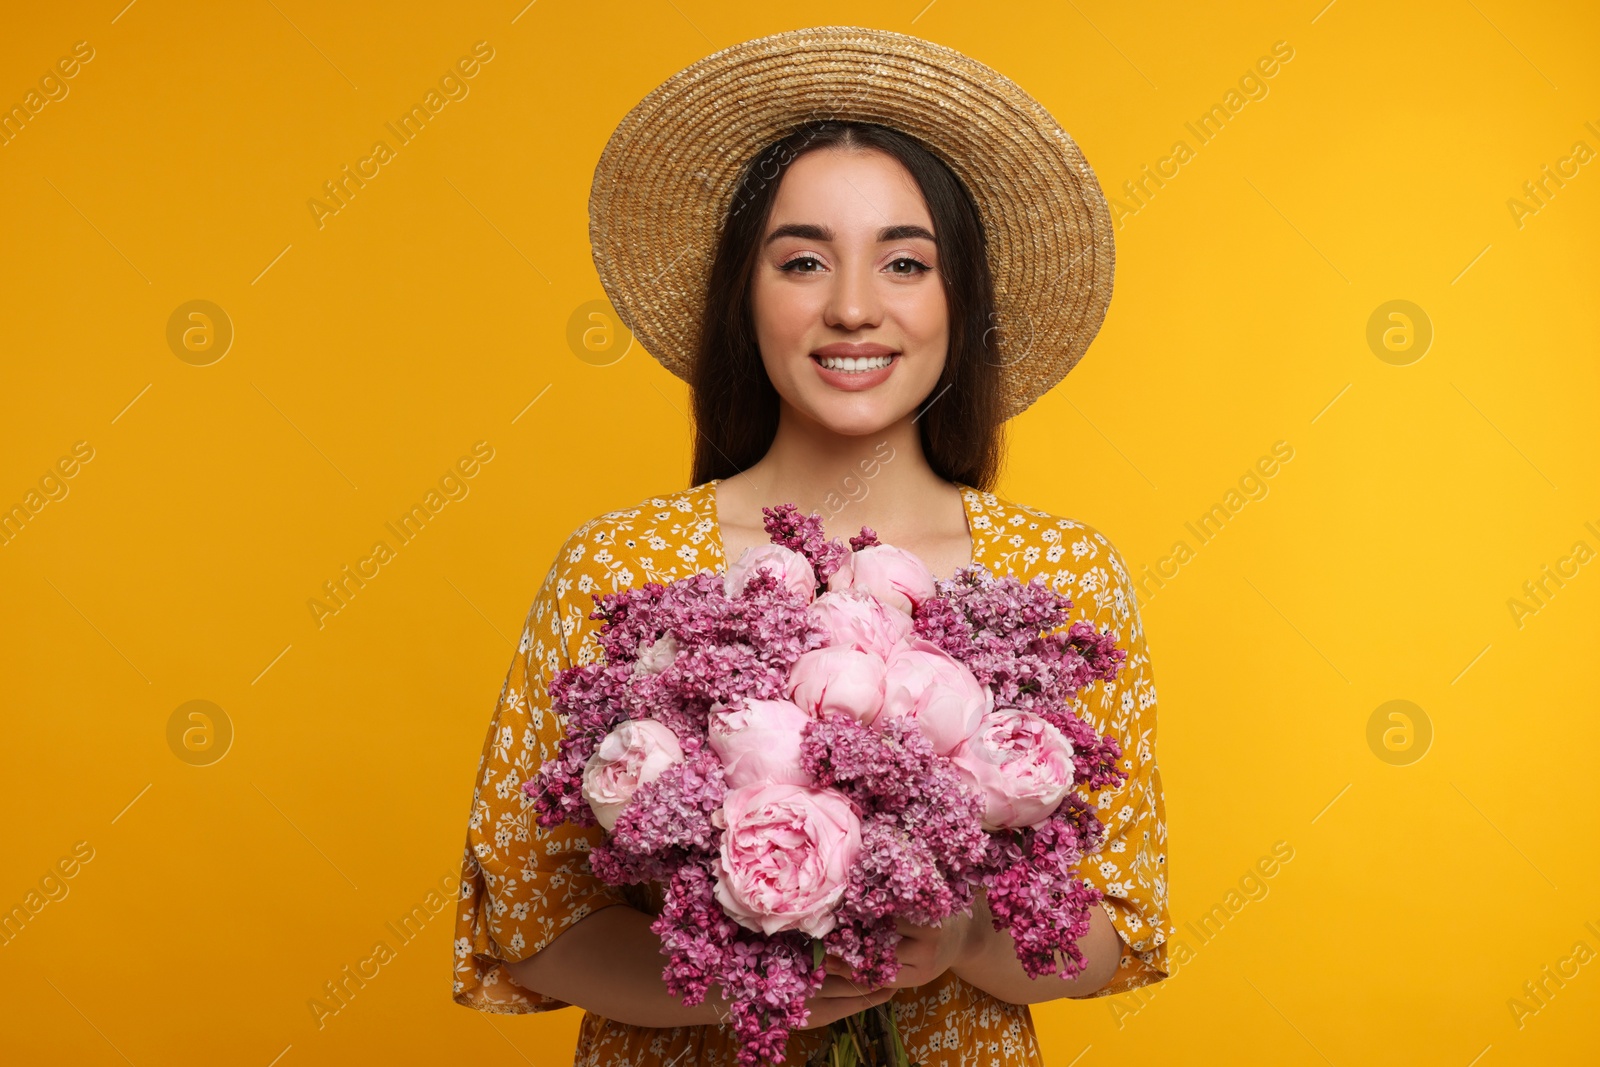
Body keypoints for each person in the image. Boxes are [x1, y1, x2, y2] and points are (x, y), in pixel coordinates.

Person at [451, 26, 1170, 1064]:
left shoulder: (1059, 577)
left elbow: (1114, 927)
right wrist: (761, 973)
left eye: (905, 262)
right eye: (801, 260)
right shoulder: (623, 569)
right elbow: (528, 918)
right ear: (744, 297)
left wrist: (961, 934)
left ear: (957, 299)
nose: (850, 307)